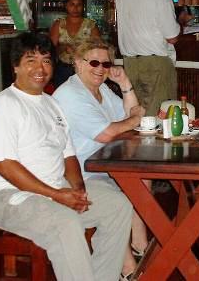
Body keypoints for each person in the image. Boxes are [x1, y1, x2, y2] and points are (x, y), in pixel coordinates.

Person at [0, 31, 133, 281]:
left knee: (118, 206)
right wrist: (57, 195)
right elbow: (5, 166)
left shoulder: (51, 104)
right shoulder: (4, 105)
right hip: (8, 197)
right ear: (16, 66)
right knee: (66, 223)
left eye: (46, 61)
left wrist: (78, 189)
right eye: (31, 60)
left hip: (54, 188)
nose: (40, 68)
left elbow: (68, 155)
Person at [53, 39, 149, 279]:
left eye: (106, 64)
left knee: (143, 178)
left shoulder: (101, 90)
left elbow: (129, 113)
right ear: (77, 62)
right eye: (94, 62)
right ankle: (127, 267)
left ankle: (140, 244)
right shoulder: (70, 94)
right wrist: (133, 120)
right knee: (121, 201)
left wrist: (125, 84)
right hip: (77, 175)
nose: (100, 69)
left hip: (104, 166)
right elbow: (107, 133)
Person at [116, 0, 181, 116]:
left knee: (134, 114)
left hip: (130, 63)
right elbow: (172, 37)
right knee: (159, 116)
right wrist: (181, 22)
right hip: (155, 64)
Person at [50, 0, 101, 88]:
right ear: (66, 6)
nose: (75, 8)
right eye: (72, 4)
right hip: (63, 69)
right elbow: (50, 48)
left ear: (83, 7)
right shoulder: (59, 24)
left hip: (85, 68)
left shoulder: (91, 25)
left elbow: (98, 49)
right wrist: (63, 47)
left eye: (79, 5)